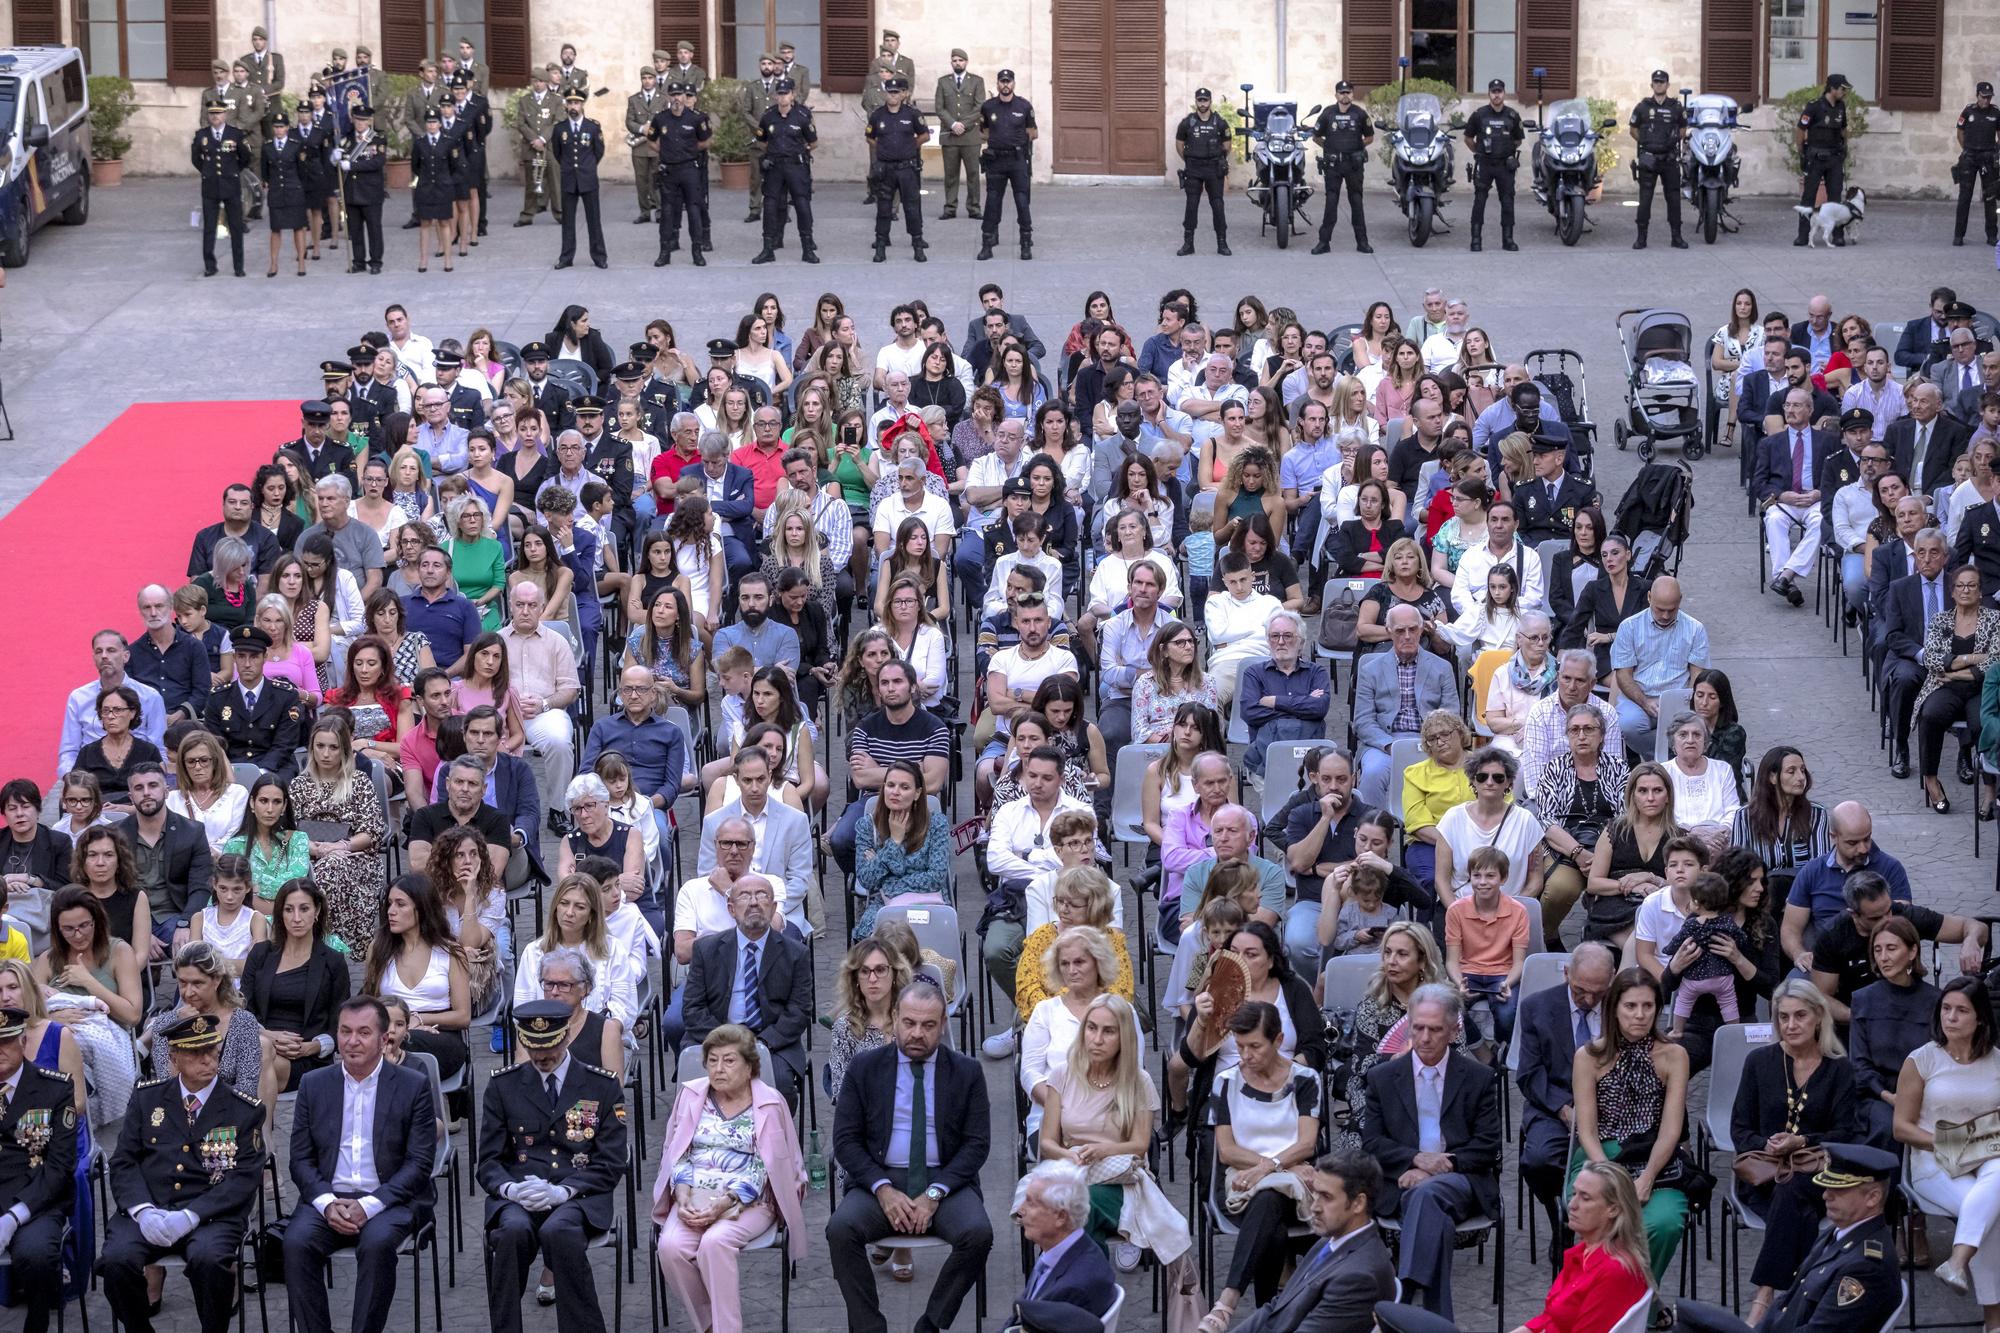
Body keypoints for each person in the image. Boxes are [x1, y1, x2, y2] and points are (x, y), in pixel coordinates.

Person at [826, 981, 993, 1333]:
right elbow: (845, 1140)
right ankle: (871, 1328)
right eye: (909, 1023)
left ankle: (930, 1325)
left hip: (944, 1182)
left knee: (978, 1234)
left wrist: (935, 1194)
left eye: (928, 1025)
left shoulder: (967, 1072)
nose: (918, 1033)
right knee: (840, 1230)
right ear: (895, 1019)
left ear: (944, 1023)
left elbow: (976, 1145)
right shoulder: (864, 1068)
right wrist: (883, 1190)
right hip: (879, 1180)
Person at [100, 1012, 265, 1333]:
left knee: (210, 1261)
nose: (207, 1060)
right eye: (195, 1053)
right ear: (174, 1059)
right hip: (151, 1207)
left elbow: (244, 1176)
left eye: (211, 1051)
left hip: (212, 1216)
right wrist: (142, 1210)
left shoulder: (243, 1109)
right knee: (116, 1260)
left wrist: (191, 1216)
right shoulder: (148, 1098)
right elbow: (123, 1161)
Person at [282, 995, 436, 1333]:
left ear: (384, 1040)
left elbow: (419, 1164)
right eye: (345, 1031)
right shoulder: (314, 1084)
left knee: (378, 1244)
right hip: (328, 1197)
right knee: (295, 1243)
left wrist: (369, 1205)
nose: (352, 1041)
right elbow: (300, 1160)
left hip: (388, 1198)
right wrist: (326, 1203)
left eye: (363, 1033)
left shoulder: (413, 1086)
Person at [476, 1000, 627, 1333]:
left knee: (558, 1232)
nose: (541, 1056)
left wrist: (564, 1191)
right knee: (511, 1232)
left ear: (567, 1036)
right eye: (532, 1047)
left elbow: (612, 1160)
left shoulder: (600, 1086)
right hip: (521, 1193)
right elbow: (487, 1160)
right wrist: (510, 1189)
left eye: (550, 1046)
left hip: (578, 1194)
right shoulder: (504, 1086)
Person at [652, 1023, 809, 1333]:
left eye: (729, 1060)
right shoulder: (691, 1095)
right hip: (694, 1195)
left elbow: (767, 1167)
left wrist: (724, 1203)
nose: (719, 1069)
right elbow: (678, 1152)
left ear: (750, 1067)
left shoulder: (769, 1103)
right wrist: (682, 1197)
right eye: (712, 1060)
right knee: (670, 1247)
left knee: (715, 1242)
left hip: (750, 1199)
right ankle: (710, 1325)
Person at [1358, 984, 1500, 1320]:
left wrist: (1437, 1167)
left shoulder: (1478, 1078)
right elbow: (1372, 1143)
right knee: (1432, 1213)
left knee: (1427, 1193)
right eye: (1418, 1028)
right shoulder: (1383, 1077)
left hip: (1461, 1179)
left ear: (1454, 1031)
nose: (1424, 1037)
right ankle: (1436, 1320)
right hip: (1401, 1185)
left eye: (1435, 1029)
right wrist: (1416, 1159)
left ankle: (1403, 1294)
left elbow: (1487, 1146)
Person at [1379, 1159, 1653, 1333]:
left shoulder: (1614, 1272)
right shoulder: (1583, 1253)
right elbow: (1551, 1317)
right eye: (1574, 1194)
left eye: (1586, 1198)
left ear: (1613, 1210)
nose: (1572, 1204)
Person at [1730, 979, 1858, 1321]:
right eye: (1783, 1017)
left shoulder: (1839, 1069)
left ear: (1818, 1016)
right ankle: (1802, 1296)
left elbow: (1847, 1134)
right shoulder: (1759, 1062)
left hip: (1819, 1174)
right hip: (1764, 1177)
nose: (1791, 1025)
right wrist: (1769, 1144)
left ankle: (1764, 1297)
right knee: (1790, 1196)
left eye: (1800, 1016)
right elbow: (1739, 1130)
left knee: (1793, 1190)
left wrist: (1802, 1141)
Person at [1674, 1144, 1900, 1333]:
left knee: (1689, 1323)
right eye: (1826, 1187)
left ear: (1873, 1197)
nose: (1825, 1196)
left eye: (1838, 1191)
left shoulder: (1866, 1266)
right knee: (1686, 1318)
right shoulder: (1840, 1234)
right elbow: (1786, 1301)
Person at [1196, 1000, 1323, 1329]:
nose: (1245, 1056)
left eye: (1254, 1046)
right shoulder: (1226, 1081)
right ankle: (1268, 1317)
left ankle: (1229, 1302)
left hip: (1296, 1186)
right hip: (1246, 1179)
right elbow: (1226, 1150)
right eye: (1239, 1046)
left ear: (1278, 1041)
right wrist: (1279, 1165)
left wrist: (1269, 1168)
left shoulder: (1306, 1079)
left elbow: (1308, 1143)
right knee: (1270, 1212)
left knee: (1269, 1202)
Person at [1568, 968, 1690, 1286]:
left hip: (1656, 1157)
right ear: (1614, 1009)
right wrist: (1611, 1179)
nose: (1639, 1015)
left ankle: (1638, 1307)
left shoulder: (1675, 1055)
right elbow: (1588, 1132)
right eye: (1631, 1006)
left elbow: (1671, 1130)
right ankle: (1604, 1307)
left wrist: (1647, 1177)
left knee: (1663, 1224)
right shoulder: (1588, 1056)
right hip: (1601, 1157)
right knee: (1600, 1222)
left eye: (1647, 1006)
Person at [681, 877, 811, 1107]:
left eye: (762, 895)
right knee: (695, 1088)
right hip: (716, 1035)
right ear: (731, 909)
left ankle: (773, 1141)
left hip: (771, 1040)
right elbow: (693, 1008)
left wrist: (762, 1042)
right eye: (744, 896)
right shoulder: (706, 949)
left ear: (773, 908)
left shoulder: (796, 953)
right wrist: (727, 1042)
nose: (753, 902)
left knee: (780, 1085)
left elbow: (799, 1011)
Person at [0, 1000, 77, 1333]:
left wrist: (15, 1215)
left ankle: (38, 1324)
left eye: (5, 1041)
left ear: (22, 1041)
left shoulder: (55, 1088)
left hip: (36, 1203)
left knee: (37, 1256)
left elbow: (59, 1166)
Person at [240, 878, 350, 1092]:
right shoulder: (261, 954)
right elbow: (243, 1010)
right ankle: (261, 1126)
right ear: (281, 914)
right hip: (261, 1044)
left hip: (306, 1057)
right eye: (289, 910)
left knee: (255, 1066)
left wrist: (312, 1047)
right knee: (259, 1055)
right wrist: (268, 1036)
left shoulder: (333, 961)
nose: (296, 918)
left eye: (304, 909)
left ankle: (257, 1125)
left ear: (317, 911)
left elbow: (341, 1022)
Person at [1914, 563, 2000, 814]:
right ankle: (1931, 781)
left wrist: (1959, 670)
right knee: (1930, 715)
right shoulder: (1941, 620)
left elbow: (1996, 659)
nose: (1965, 590)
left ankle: (1989, 789)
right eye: (1960, 586)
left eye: (1971, 585)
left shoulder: (1995, 619)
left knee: (1985, 723)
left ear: (1980, 591)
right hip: (1945, 688)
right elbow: (1932, 658)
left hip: (1981, 688)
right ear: (1952, 592)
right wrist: (1973, 658)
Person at [1850, 917, 1940, 1151]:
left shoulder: (1936, 1000)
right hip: (1877, 1094)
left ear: (1912, 952)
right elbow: (1859, 1064)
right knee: (1889, 1127)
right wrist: (1888, 1096)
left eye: (1891, 948)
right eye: (1877, 950)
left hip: (1925, 1094)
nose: (1883, 957)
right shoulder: (1863, 999)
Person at [1610, 577, 1709, 760]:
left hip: (1678, 697)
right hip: (1638, 695)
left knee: (1693, 728)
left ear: (1680, 600)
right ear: (1649, 598)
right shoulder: (1629, 627)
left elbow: (1698, 675)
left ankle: (1659, 761)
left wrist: (1687, 701)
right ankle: (1666, 757)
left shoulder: (1695, 629)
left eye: (1671, 610)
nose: (1665, 616)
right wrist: (1644, 702)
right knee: (1629, 725)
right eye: (1659, 609)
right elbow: (1623, 675)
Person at [866, 77, 929, 263]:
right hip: (885, 170)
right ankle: (880, 246)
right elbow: (869, 136)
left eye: (896, 92)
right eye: (889, 92)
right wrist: (881, 147)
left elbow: (924, 134)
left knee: (912, 208)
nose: (892, 96)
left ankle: (917, 245)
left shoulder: (912, 114)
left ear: (903, 94)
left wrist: (911, 145)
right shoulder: (878, 115)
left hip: (906, 169)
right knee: (884, 209)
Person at [976, 69, 1036, 261]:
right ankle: (987, 243)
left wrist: (1018, 140)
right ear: (997, 84)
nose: (1005, 85)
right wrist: (996, 138)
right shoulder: (988, 107)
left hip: (1017, 160)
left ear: (1014, 84)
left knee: (1022, 202)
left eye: (1008, 81)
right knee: (992, 202)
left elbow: (1033, 132)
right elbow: (983, 131)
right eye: (1002, 81)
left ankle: (1025, 243)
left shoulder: (1024, 106)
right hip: (996, 160)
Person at [1307, 80, 1373, 255]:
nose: (1345, 95)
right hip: (1333, 165)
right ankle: (1324, 242)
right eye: (1342, 92)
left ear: (1352, 94)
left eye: (1348, 92)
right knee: (1331, 203)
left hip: (1353, 165)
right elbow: (1316, 136)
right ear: (1336, 95)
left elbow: (1369, 137)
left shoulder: (1359, 114)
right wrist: (1329, 148)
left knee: (1357, 202)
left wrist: (1358, 147)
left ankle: (1362, 242)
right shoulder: (1328, 113)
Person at [1628, 70, 1688, 249]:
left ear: (1668, 85)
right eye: (1656, 82)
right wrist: (1647, 143)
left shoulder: (1676, 107)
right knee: (1645, 199)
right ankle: (1641, 238)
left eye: (1662, 82)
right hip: (1649, 160)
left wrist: (1669, 142)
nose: (1659, 84)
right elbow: (1633, 129)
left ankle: (1676, 237)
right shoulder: (1642, 107)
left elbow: (1683, 129)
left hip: (1669, 159)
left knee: (1674, 199)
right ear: (1651, 85)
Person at [192, 97, 251, 277]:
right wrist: (207, 172)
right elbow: (196, 159)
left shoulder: (235, 134)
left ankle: (238, 266)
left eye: (218, 113)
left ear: (225, 114)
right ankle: (210, 265)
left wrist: (233, 171)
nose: (215, 117)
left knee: (235, 227)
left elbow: (245, 158)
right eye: (212, 114)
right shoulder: (201, 135)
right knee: (210, 227)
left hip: (230, 184)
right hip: (210, 186)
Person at [1792, 73, 1852, 247]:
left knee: (1835, 197)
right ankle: (1803, 235)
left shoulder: (1841, 107)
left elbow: (1843, 129)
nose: (1844, 92)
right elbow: (1801, 129)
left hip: (1834, 158)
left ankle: (1837, 235)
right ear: (1832, 88)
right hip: (1816, 157)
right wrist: (1801, 152)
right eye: (1842, 89)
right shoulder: (1813, 107)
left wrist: (1845, 146)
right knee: (1808, 197)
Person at [550, 90, 608, 270]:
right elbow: (557, 153)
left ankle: (599, 256)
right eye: (570, 103)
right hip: (568, 179)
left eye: (577, 103)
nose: (573, 107)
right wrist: (569, 167)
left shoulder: (593, 127)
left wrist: (588, 166)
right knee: (568, 221)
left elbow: (598, 151)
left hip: (588, 179)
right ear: (566, 105)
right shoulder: (559, 128)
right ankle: (566, 257)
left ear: (582, 105)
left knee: (594, 219)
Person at [1174, 89, 1232, 255]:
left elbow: (1227, 145)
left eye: (1205, 100)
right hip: (1194, 169)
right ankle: (1188, 244)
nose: (1202, 104)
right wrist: (1189, 160)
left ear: (1210, 101)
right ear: (1196, 102)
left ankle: (1222, 244)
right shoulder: (1187, 123)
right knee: (1191, 206)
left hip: (1214, 169)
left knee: (1218, 205)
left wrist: (1217, 159)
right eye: (1200, 100)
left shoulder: (1220, 123)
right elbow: (1179, 143)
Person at [1954, 80, 2000, 248]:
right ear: (1977, 96)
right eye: (1983, 97)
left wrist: (1997, 153)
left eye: (1989, 97)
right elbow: (1959, 132)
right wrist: (1966, 150)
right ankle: (1958, 235)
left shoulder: (1996, 113)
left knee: (1990, 198)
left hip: (1988, 157)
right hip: (1970, 157)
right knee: (1964, 197)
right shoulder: (1968, 111)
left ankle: (1992, 235)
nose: (1986, 100)